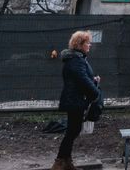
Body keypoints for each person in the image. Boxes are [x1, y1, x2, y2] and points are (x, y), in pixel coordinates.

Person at [54, 30, 101, 170]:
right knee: (72, 131)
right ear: (80, 44)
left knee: (73, 131)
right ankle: (59, 162)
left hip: (74, 99)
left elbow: (81, 78)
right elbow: (82, 80)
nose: (90, 45)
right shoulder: (76, 60)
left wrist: (93, 80)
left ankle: (66, 162)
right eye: (87, 42)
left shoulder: (76, 59)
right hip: (75, 100)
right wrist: (95, 92)